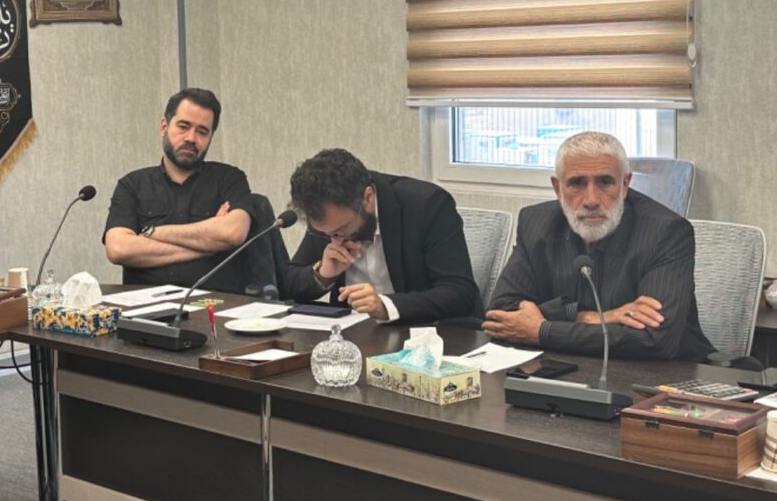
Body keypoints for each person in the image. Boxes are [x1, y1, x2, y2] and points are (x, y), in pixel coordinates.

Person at [484, 132, 715, 361]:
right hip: (564, 368)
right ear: (557, 187)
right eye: (576, 183)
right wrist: (596, 317)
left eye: (605, 182)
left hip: (661, 374)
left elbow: (654, 340)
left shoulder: (665, 232)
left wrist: (543, 331)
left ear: (625, 184)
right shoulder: (536, 223)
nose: (592, 200)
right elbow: (501, 314)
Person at [285, 148, 480, 324]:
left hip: (423, 333)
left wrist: (386, 306)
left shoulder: (427, 204)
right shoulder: (327, 216)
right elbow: (289, 284)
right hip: (352, 334)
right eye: (326, 234)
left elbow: (459, 293)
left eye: (340, 230)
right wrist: (322, 274)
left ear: (368, 198)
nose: (334, 240)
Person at [103, 88, 253, 293]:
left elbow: (233, 233)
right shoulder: (132, 185)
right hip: (146, 305)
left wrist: (153, 232)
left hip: (217, 303)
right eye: (183, 126)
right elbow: (118, 249)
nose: (191, 138)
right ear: (164, 126)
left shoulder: (230, 179)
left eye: (202, 131)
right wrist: (210, 245)